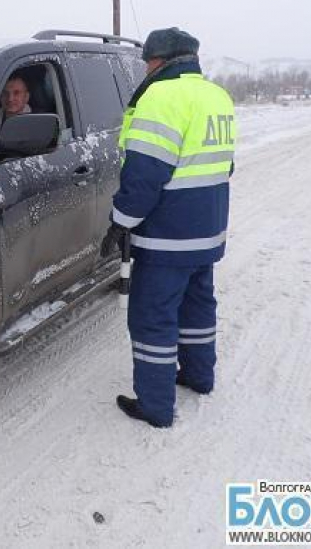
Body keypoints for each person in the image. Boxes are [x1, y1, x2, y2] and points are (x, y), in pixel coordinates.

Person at [102, 27, 236, 428]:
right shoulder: (217, 95)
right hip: (208, 229)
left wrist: (120, 222)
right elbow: (224, 164)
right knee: (198, 306)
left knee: (152, 318)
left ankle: (156, 406)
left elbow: (144, 175)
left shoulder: (161, 98)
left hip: (167, 237)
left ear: (158, 61)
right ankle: (198, 376)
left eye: (147, 61)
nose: (145, 68)